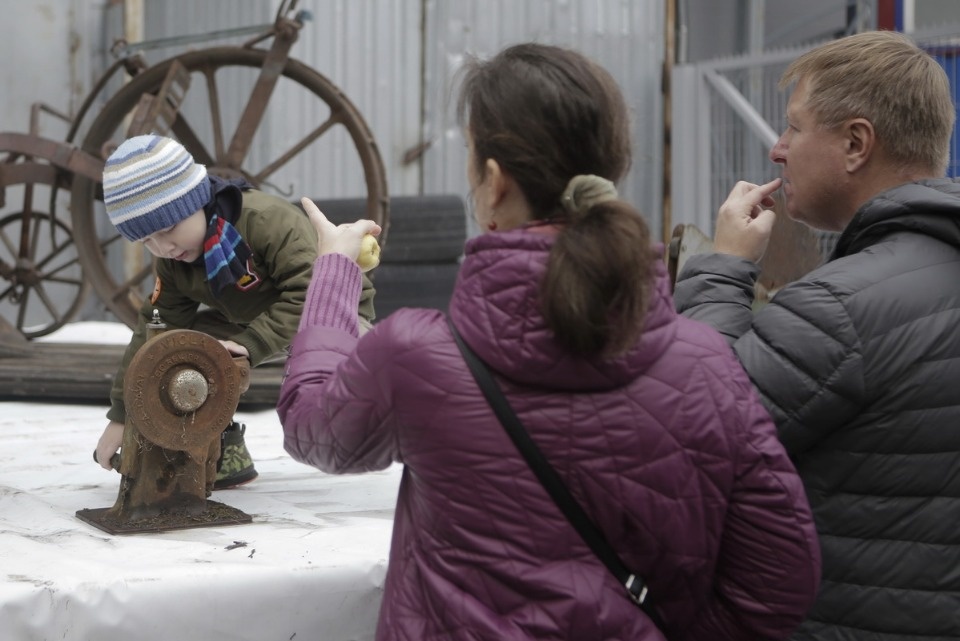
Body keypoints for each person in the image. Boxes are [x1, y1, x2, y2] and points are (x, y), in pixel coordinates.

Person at [277, 43, 820, 640]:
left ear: (492, 181)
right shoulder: (706, 363)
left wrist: (333, 270)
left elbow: (312, 427)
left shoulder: (415, 356)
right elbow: (781, 575)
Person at [673, 30, 960, 639]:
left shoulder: (842, 307)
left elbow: (699, 429)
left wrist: (723, 268)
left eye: (794, 128)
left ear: (856, 143)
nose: (777, 150)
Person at [94, 134, 376, 490]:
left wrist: (251, 343)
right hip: (251, 316)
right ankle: (220, 451)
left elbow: (310, 292)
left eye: (168, 229)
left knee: (369, 387)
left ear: (197, 202)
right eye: (147, 241)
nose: (162, 247)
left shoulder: (265, 222)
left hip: (336, 311)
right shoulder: (173, 260)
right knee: (181, 349)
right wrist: (123, 415)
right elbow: (154, 329)